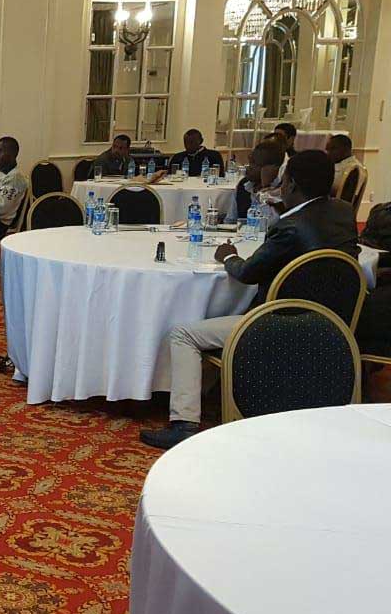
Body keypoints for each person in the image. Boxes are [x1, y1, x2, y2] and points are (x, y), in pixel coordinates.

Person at [140, 150, 359, 449]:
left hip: (281, 323)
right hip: (335, 323)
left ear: (291, 184)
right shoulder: (344, 213)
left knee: (184, 333)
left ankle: (184, 423)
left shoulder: (289, 227)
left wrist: (228, 256)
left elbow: (247, 272)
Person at [235, 138, 286, 223]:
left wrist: (265, 187)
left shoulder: (280, 194)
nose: (248, 168)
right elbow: (230, 220)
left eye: (254, 164)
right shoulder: (244, 185)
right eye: (249, 162)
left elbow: (267, 224)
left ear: (270, 168)